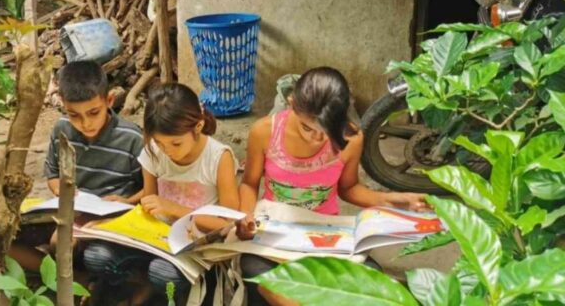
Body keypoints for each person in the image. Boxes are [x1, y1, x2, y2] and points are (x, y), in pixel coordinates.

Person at [236, 66, 429, 305]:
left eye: (326, 131)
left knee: (373, 283)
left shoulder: (351, 138)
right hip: (276, 233)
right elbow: (249, 183)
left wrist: (395, 199)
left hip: (325, 235)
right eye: (307, 127)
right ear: (292, 103)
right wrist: (245, 217)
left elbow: (348, 189)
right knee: (261, 276)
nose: (316, 138)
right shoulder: (265, 131)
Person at [83, 83, 240, 305]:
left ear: (198, 126)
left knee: (162, 273)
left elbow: (228, 224)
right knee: (96, 255)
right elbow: (148, 204)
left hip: (194, 248)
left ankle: (170, 295)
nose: (167, 150)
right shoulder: (154, 152)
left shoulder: (218, 158)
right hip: (153, 239)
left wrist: (174, 209)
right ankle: (140, 287)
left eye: (175, 143)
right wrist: (114, 222)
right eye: (159, 142)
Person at [10, 60, 144, 273]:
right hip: (68, 212)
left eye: (93, 113)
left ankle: (72, 278)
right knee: (5, 236)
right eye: (74, 115)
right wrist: (63, 191)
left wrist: (127, 201)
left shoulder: (132, 138)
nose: (85, 123)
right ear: (62, 104)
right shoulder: (61, 129)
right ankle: (75, 282)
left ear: (109, 100)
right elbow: (53, 174)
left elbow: (150, 190)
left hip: (109, 221)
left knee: (70, 246)